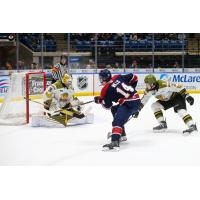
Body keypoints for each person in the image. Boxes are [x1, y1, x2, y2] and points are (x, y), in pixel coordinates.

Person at [94, 69, 141, 151]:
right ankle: (122, 134)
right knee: (114, 110)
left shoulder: (105, 90)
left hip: (128, 104)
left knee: (117, 121)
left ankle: (115, 142)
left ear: (103, 78)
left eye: (101, 78)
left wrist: (101, 100)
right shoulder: (118, 76)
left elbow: (107, 106)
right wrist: (130, 91)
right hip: (137, 100)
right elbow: (134, 77)